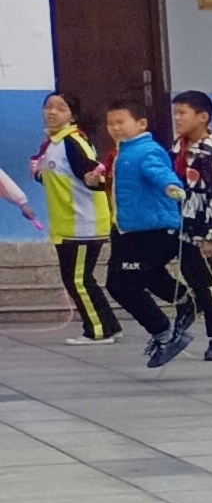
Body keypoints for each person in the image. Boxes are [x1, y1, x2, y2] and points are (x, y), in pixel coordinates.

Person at [98, 99, 195, 369]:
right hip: (128, 230)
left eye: (121, 122)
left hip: (153, 229)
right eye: (110, 123)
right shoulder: (122, 152)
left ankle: (164, 332)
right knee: (145, 276)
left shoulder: (147, 150)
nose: (115, 128)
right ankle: (186, 301)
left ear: (141, 124)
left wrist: (172, 187)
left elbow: (160, 173)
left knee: (124, 284)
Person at [32, 92, 116, 342]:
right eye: (48, 107)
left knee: (77, 280)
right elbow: (59, 179)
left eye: (61, 108)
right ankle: (109, 325)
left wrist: (95, 179)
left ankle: (98, 331)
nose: (52, 112)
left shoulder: (73, 141)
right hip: (66, 224)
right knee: (79, 279)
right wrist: (38, 174)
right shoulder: (52, 144)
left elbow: (94, 176)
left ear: (72, 115)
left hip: (84, 223)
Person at [164, 89, 212, 360]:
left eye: (183, 113)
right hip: (181, 223)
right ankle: (190, 306)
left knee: (208, 282)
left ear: (203, 117)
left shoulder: (211, 151)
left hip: (202, 227)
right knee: (190, 276)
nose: (177, 118)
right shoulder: (179, 146)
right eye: (176, 113)